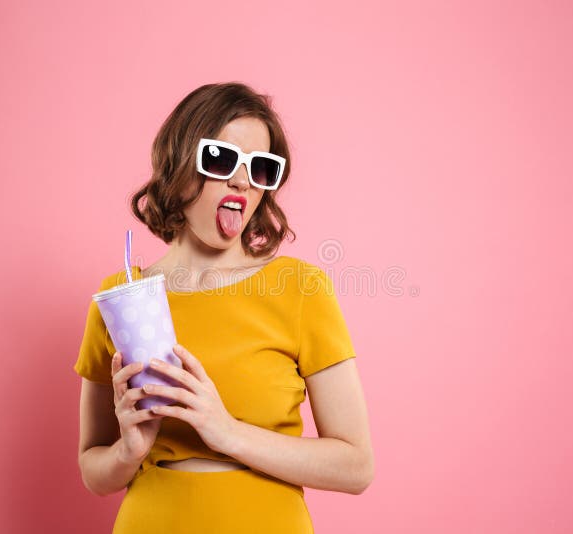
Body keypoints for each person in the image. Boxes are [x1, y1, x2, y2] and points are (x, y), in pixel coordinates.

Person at [74, 82, 374, 533]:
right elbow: (93, 470)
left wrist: (226, 431)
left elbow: (355, 466)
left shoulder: (300, 289)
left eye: (261, 168)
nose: (241, 180)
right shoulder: (122, 298)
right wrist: (128, 451)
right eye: (221, 158)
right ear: (178, 161)